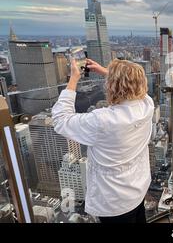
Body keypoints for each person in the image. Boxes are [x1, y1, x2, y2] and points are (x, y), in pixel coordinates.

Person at [52, 58, 154, 223]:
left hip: (114, 202)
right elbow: (134, 87)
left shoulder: (102, 120)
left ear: (112, 86)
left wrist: (73, 79)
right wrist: (107, 72)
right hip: (138, 189)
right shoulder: (146, 106)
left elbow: (60, 120)